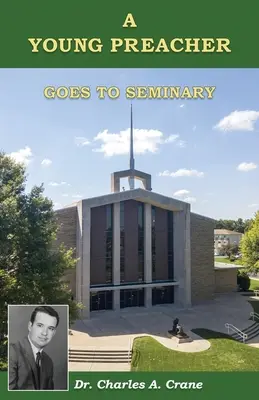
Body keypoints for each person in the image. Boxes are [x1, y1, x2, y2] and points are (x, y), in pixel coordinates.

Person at [9, 305, 60, 390]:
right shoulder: (12, 352)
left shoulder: (48, 362)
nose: (44, 333)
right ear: (30, 326)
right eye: (40, 325)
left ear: (54, 333)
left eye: (50, 328)